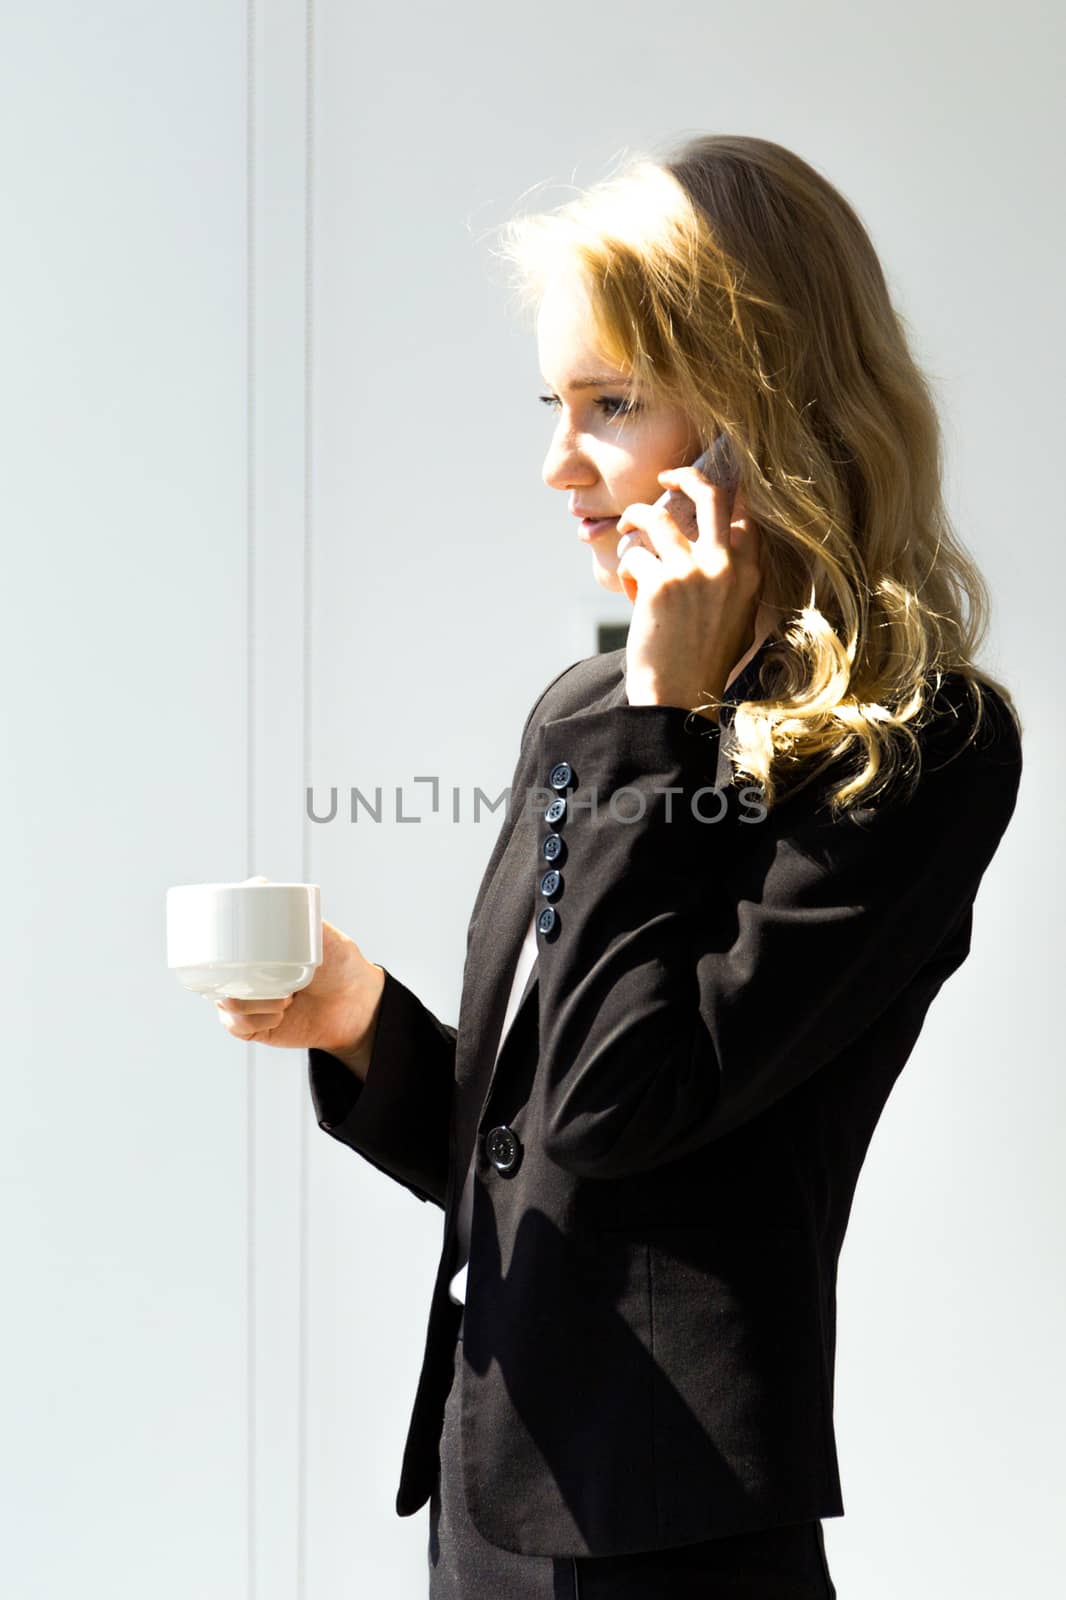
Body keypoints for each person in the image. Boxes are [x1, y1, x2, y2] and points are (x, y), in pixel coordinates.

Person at [213, 134, 1024, 1598]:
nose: (554, 462)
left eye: (609, 403)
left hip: (676, 1532)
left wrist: (663, 719)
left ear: (760, 407)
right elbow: (523, 1158)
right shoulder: (587, 712)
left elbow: (617, 1109)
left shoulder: (916, 745)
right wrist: (366, 1025)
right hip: (492, 1496)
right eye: (554, 403)